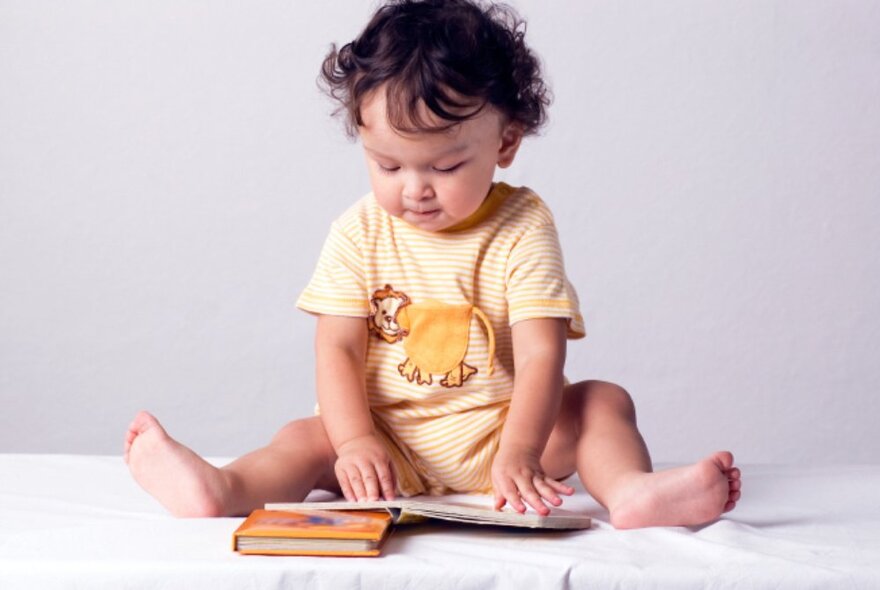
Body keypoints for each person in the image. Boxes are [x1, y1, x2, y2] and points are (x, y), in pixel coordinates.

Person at [124, 0, 741, 529]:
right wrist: (357, 441)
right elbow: (336, 350)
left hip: (503, 437)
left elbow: (540, 355)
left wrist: (522, 450)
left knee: (603, 401)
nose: (414, 188)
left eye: (444, 167)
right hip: (384, 441)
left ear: (505, 142)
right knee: (302, 438)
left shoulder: (523, 226)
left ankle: (630, 491)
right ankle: (220, 490)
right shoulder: (358, 231)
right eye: (387, 165)